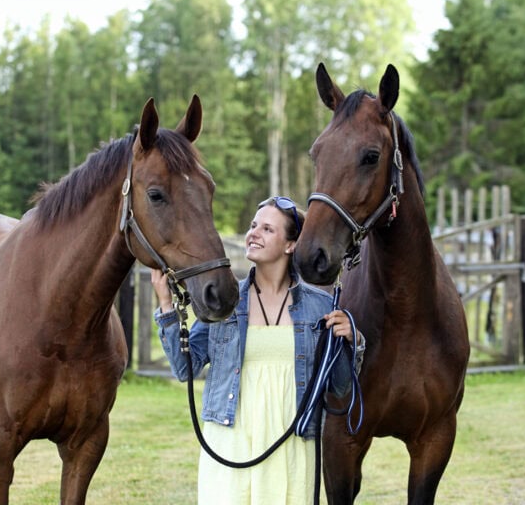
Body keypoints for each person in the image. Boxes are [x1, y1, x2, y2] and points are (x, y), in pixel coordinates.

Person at [152, 196, 365, 505]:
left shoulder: (320, 306)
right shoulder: (226, 301)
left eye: (267, 229)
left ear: (291, 244)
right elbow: (186, 367)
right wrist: (167, 308)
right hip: (230, 438)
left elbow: (341, 388)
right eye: (253, 226)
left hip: (291, 445)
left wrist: (350, 342)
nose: (253, 234)